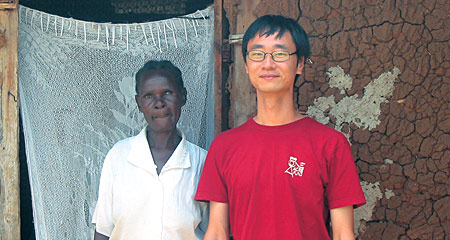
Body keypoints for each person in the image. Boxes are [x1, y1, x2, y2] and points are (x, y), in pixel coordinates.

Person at [195, 15, 366, 240]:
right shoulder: (224, 146)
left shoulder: (330, 143)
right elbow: (217, 232)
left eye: (280, 54)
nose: (268, 63)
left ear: (300, 64)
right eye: (257, 54)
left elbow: (344, 234)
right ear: (246, 65)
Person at [92, 60, 208, 240]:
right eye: (148, 96)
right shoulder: (119, 156)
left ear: (183, 97)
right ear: (138, 103)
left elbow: (215, 231)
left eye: (167, 93)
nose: (159, 103)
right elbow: (103, 231)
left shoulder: (202, 162)